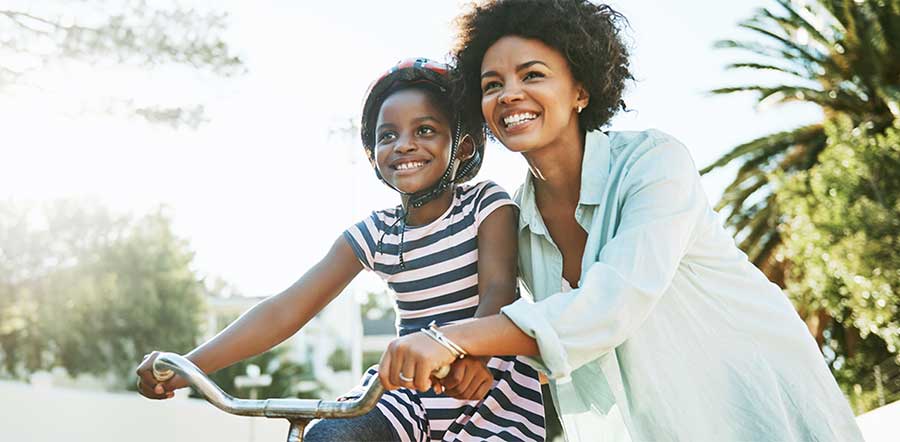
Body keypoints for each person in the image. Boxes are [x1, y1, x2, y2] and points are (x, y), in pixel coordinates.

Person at [374, 2, 864, 441]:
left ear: (581, 90)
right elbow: (552, 340)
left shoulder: (654, 163)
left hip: (759, 414)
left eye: (533, 75)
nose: (509, 95)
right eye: (492, 85)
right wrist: (477, 359)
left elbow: (608, 307)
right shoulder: (514, 220)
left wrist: (450, 339)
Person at [135, 58, 545, 442]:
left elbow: (499, 287)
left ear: (464, 148)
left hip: (490, 389)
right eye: (388, 135)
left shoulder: (485, 204)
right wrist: (188, 367)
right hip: (408, 394)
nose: (403, 145)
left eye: (425, 130)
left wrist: (473, 355)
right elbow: (286, 309)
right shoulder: (375, 233)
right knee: (329, 434)